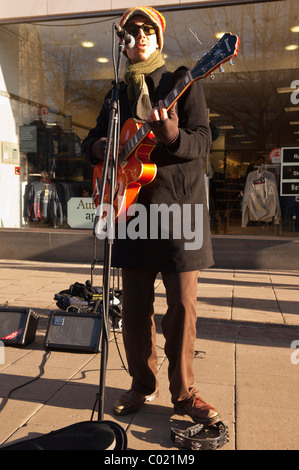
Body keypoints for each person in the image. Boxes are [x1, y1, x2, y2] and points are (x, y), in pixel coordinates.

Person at [82, 6, 220, 426]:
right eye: (131, 32)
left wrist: (172, 134)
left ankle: (184, 394)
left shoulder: (182, 81)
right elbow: (88, 143)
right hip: (130, 212)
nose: (138, 37)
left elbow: (202, 142)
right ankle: (142, 383)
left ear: (158, 39)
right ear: (123, 43)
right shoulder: (116, 94)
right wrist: (101, 148)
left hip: (180, 213)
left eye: (147, 31)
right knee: (136, 308)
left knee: (181, 307)